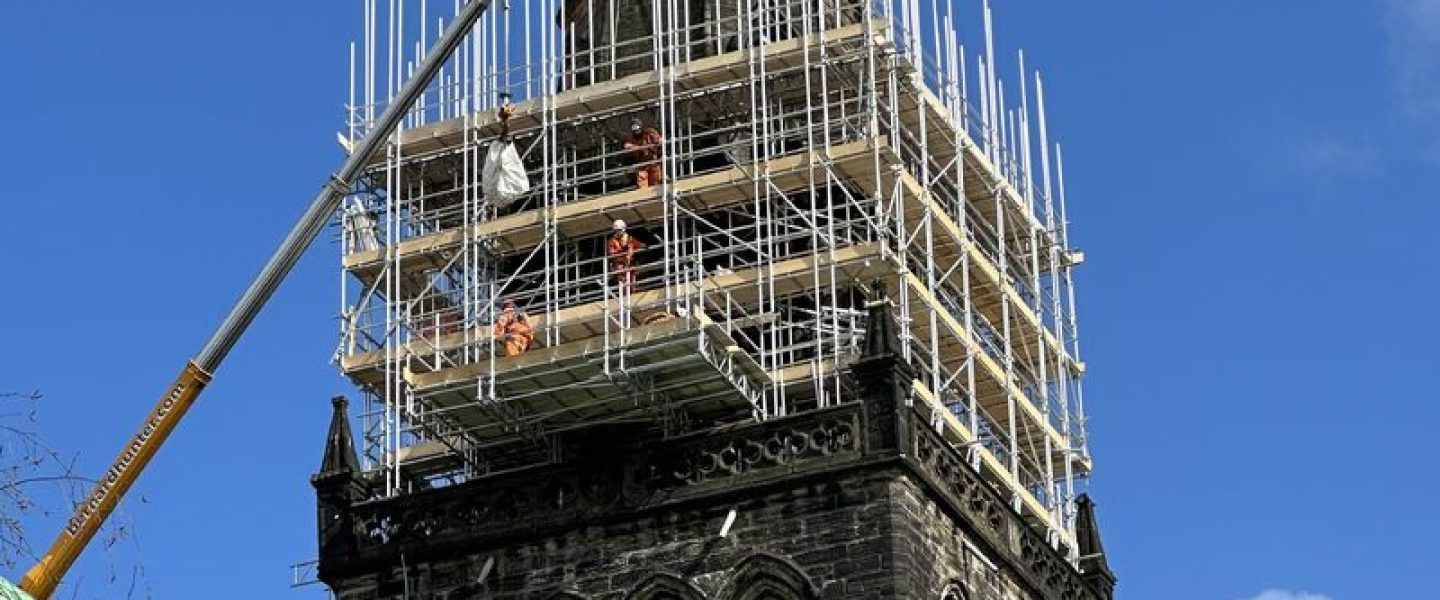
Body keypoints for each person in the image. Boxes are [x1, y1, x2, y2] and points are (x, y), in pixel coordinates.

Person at [622, 118, 664, 189]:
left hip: (653, 163)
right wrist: (640, 147)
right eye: (634, 130)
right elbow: (627, 146)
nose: (637, 132)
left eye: (638, 129)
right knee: (642, 185)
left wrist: (656, 142)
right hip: (642, 165)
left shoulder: (649, 132)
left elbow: (659, 140)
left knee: (656, 184)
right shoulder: (632, 139)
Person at [606, 219, 645, 292]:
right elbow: (612, 254)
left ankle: (633, 293)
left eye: (620, 230)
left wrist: (644, 245)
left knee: (633, 284)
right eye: (617, 230)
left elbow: (638, 244)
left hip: (630, 265)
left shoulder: (629, 239)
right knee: (624, 287)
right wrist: (622, 252)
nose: (619, 232)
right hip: (619, 267)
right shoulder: (611, 242)